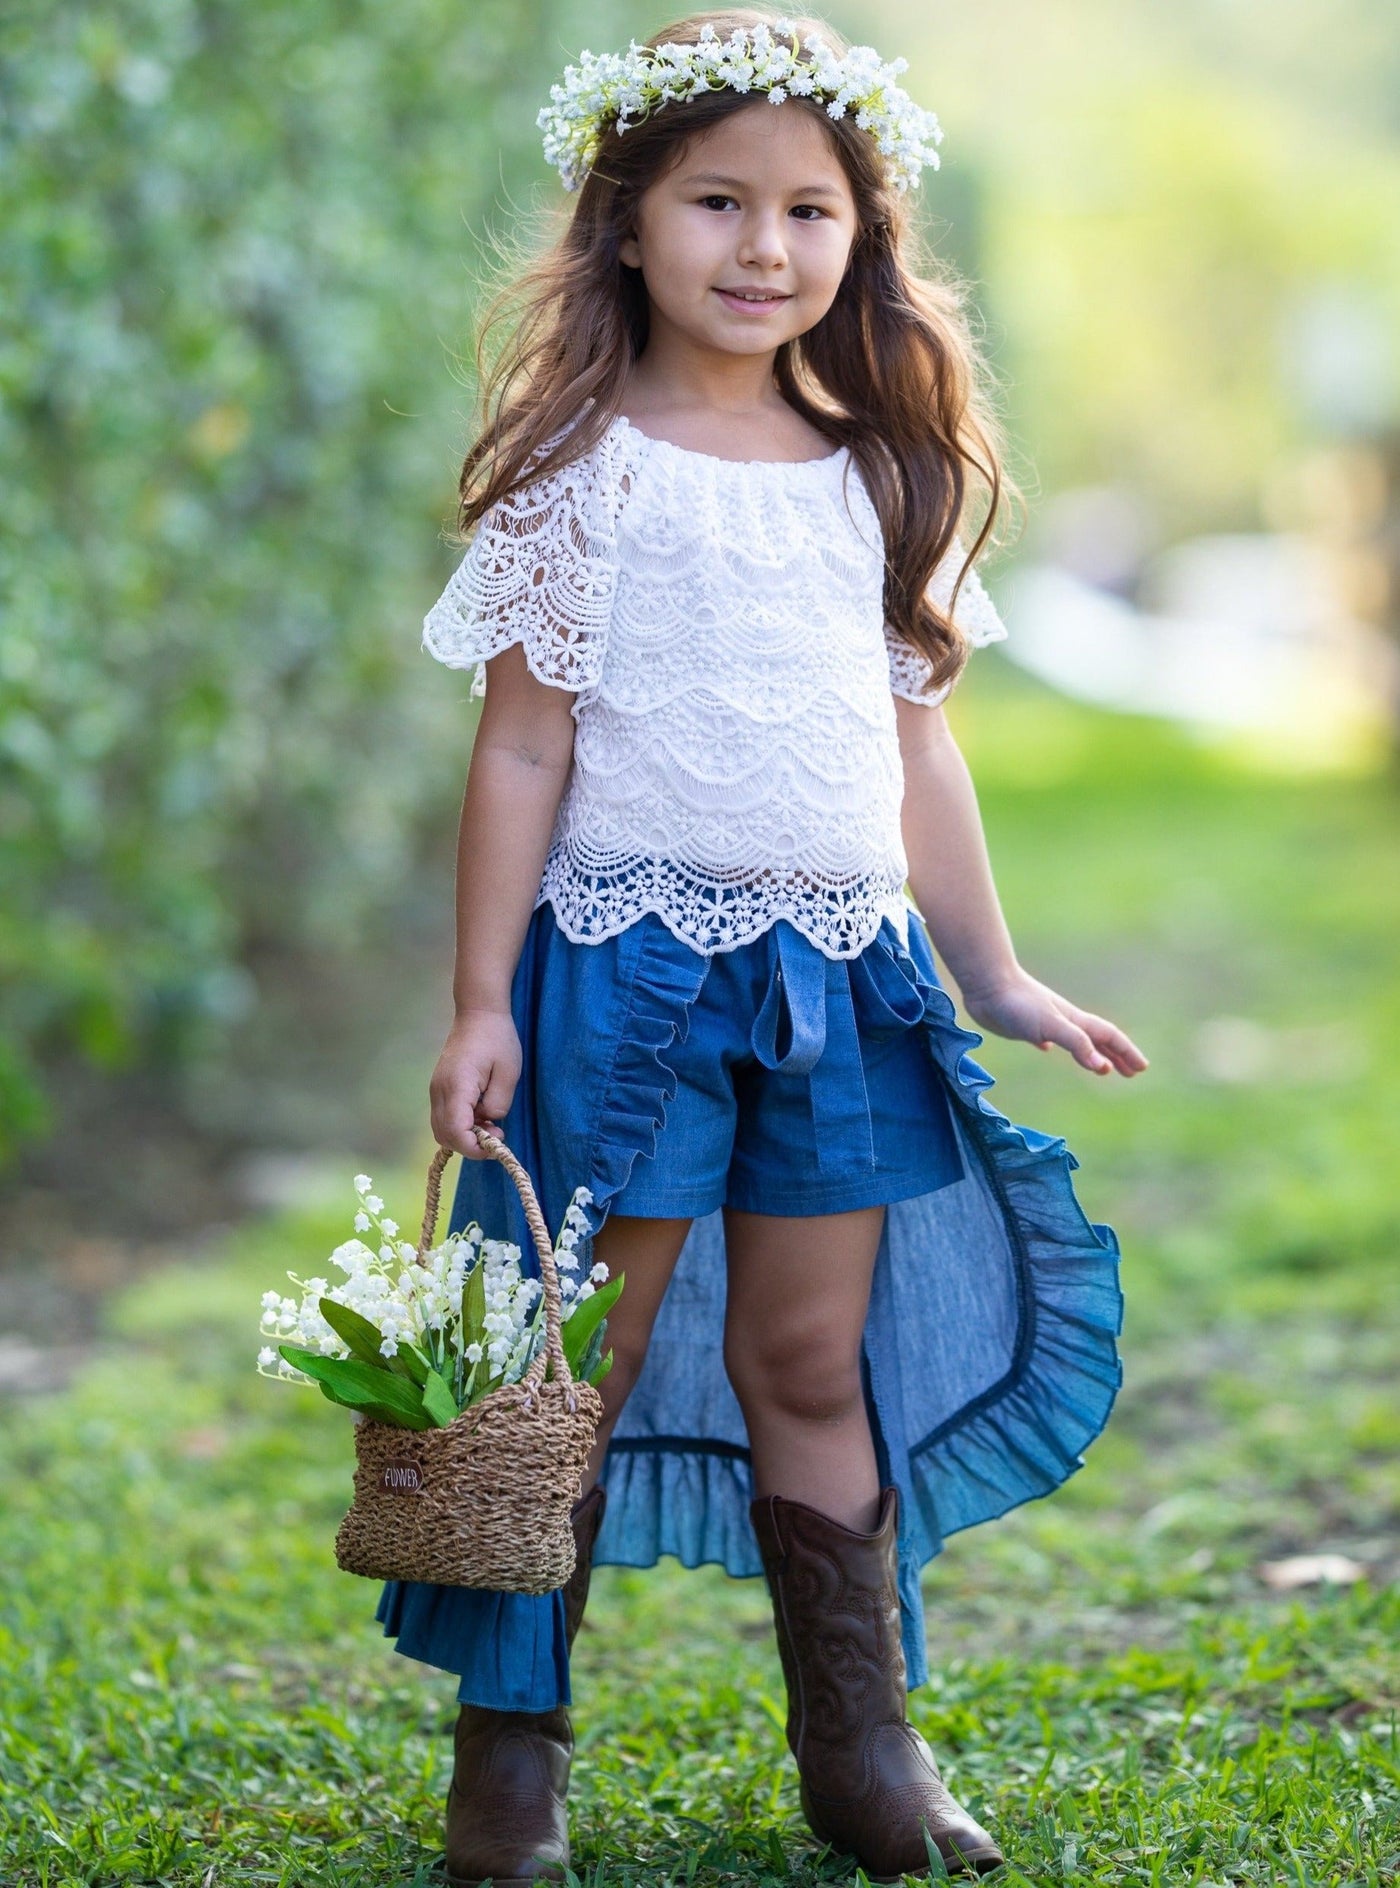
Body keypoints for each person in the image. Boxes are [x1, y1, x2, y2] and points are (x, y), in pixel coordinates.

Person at [378, 11, 1148, 1883]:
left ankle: (864, 1754)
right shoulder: (585, 475)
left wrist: (995, 974)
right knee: (580, 1363)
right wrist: (483, 1001)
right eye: (717, 201)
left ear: (859, 241)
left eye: (810, 211)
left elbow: (914, 743)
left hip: (841, 985)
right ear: (627, 219)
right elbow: (525, 745)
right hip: (625, 976)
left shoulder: (876, 475)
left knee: (812, 1364)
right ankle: (512, 1761)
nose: (763, 248)